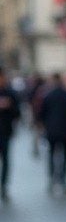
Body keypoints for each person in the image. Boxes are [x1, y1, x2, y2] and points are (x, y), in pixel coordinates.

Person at [38, 72, 66, 194]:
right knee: (65, 155)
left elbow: (42, 114)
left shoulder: (47, 95)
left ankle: (52, 179)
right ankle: (64, 179)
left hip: (51, 130)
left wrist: (44, 126)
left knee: (51, 155)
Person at [0, 68, 20, 202]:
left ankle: (4, 186)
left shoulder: (10, 93)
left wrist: (9, 106)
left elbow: (17, 113)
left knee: (6, 161)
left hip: (5, 132)